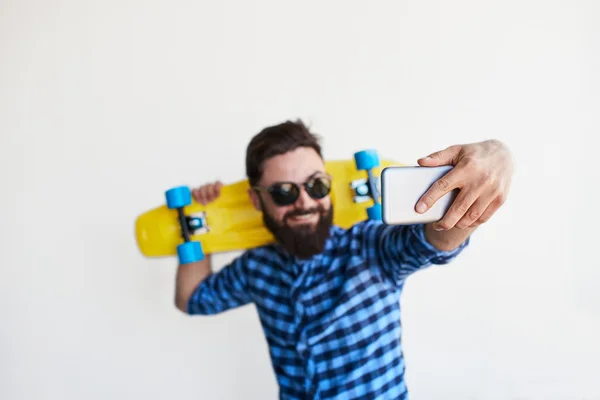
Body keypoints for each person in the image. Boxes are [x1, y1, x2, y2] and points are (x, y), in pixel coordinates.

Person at [174, 120, 514, 399]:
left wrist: (495, 156)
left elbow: (435, 242)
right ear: (256, 200)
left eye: (316, 186)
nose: (305, 202)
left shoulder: (368, 246)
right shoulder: (257, 266)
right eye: (284, 192)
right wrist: (206, 221)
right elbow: (192, 298)